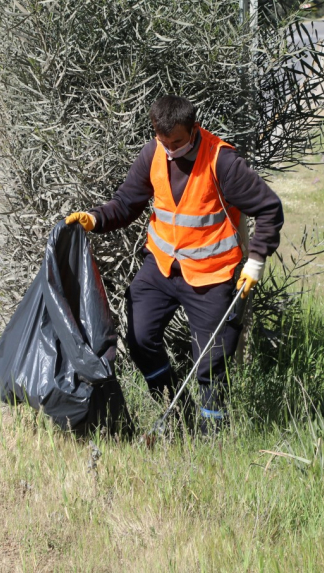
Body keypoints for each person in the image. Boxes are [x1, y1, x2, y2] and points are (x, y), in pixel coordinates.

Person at [65, 95, 283, 430]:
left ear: (194, 130)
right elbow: (126, 202)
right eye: (163, 141)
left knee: (212, 363)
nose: (169, 150)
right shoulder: (153, 153)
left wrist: (255, 261)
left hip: (211, 275)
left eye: (177, 142)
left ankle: (213, 435)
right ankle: (178, 412)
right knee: (140, 340)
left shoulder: (222, 161)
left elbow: (268, 208)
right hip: (162, 267)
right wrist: (94, 219)